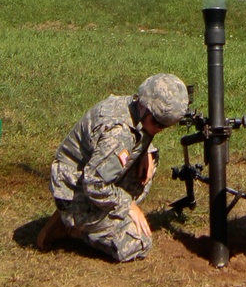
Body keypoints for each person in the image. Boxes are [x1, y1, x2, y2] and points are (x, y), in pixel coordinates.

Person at [36, 73, 189, 262]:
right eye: (156, 123)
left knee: (150, 162)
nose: (159, 128)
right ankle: (74, 225)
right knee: (139, 241)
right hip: (75, 190)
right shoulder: (118, 134)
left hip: (86, 177)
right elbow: (94, 183)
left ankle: (92, 216)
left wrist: (146, 148)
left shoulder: (132, 107)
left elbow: (136, 132)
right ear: (143, 105)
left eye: (165, 126)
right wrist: (128, 205)